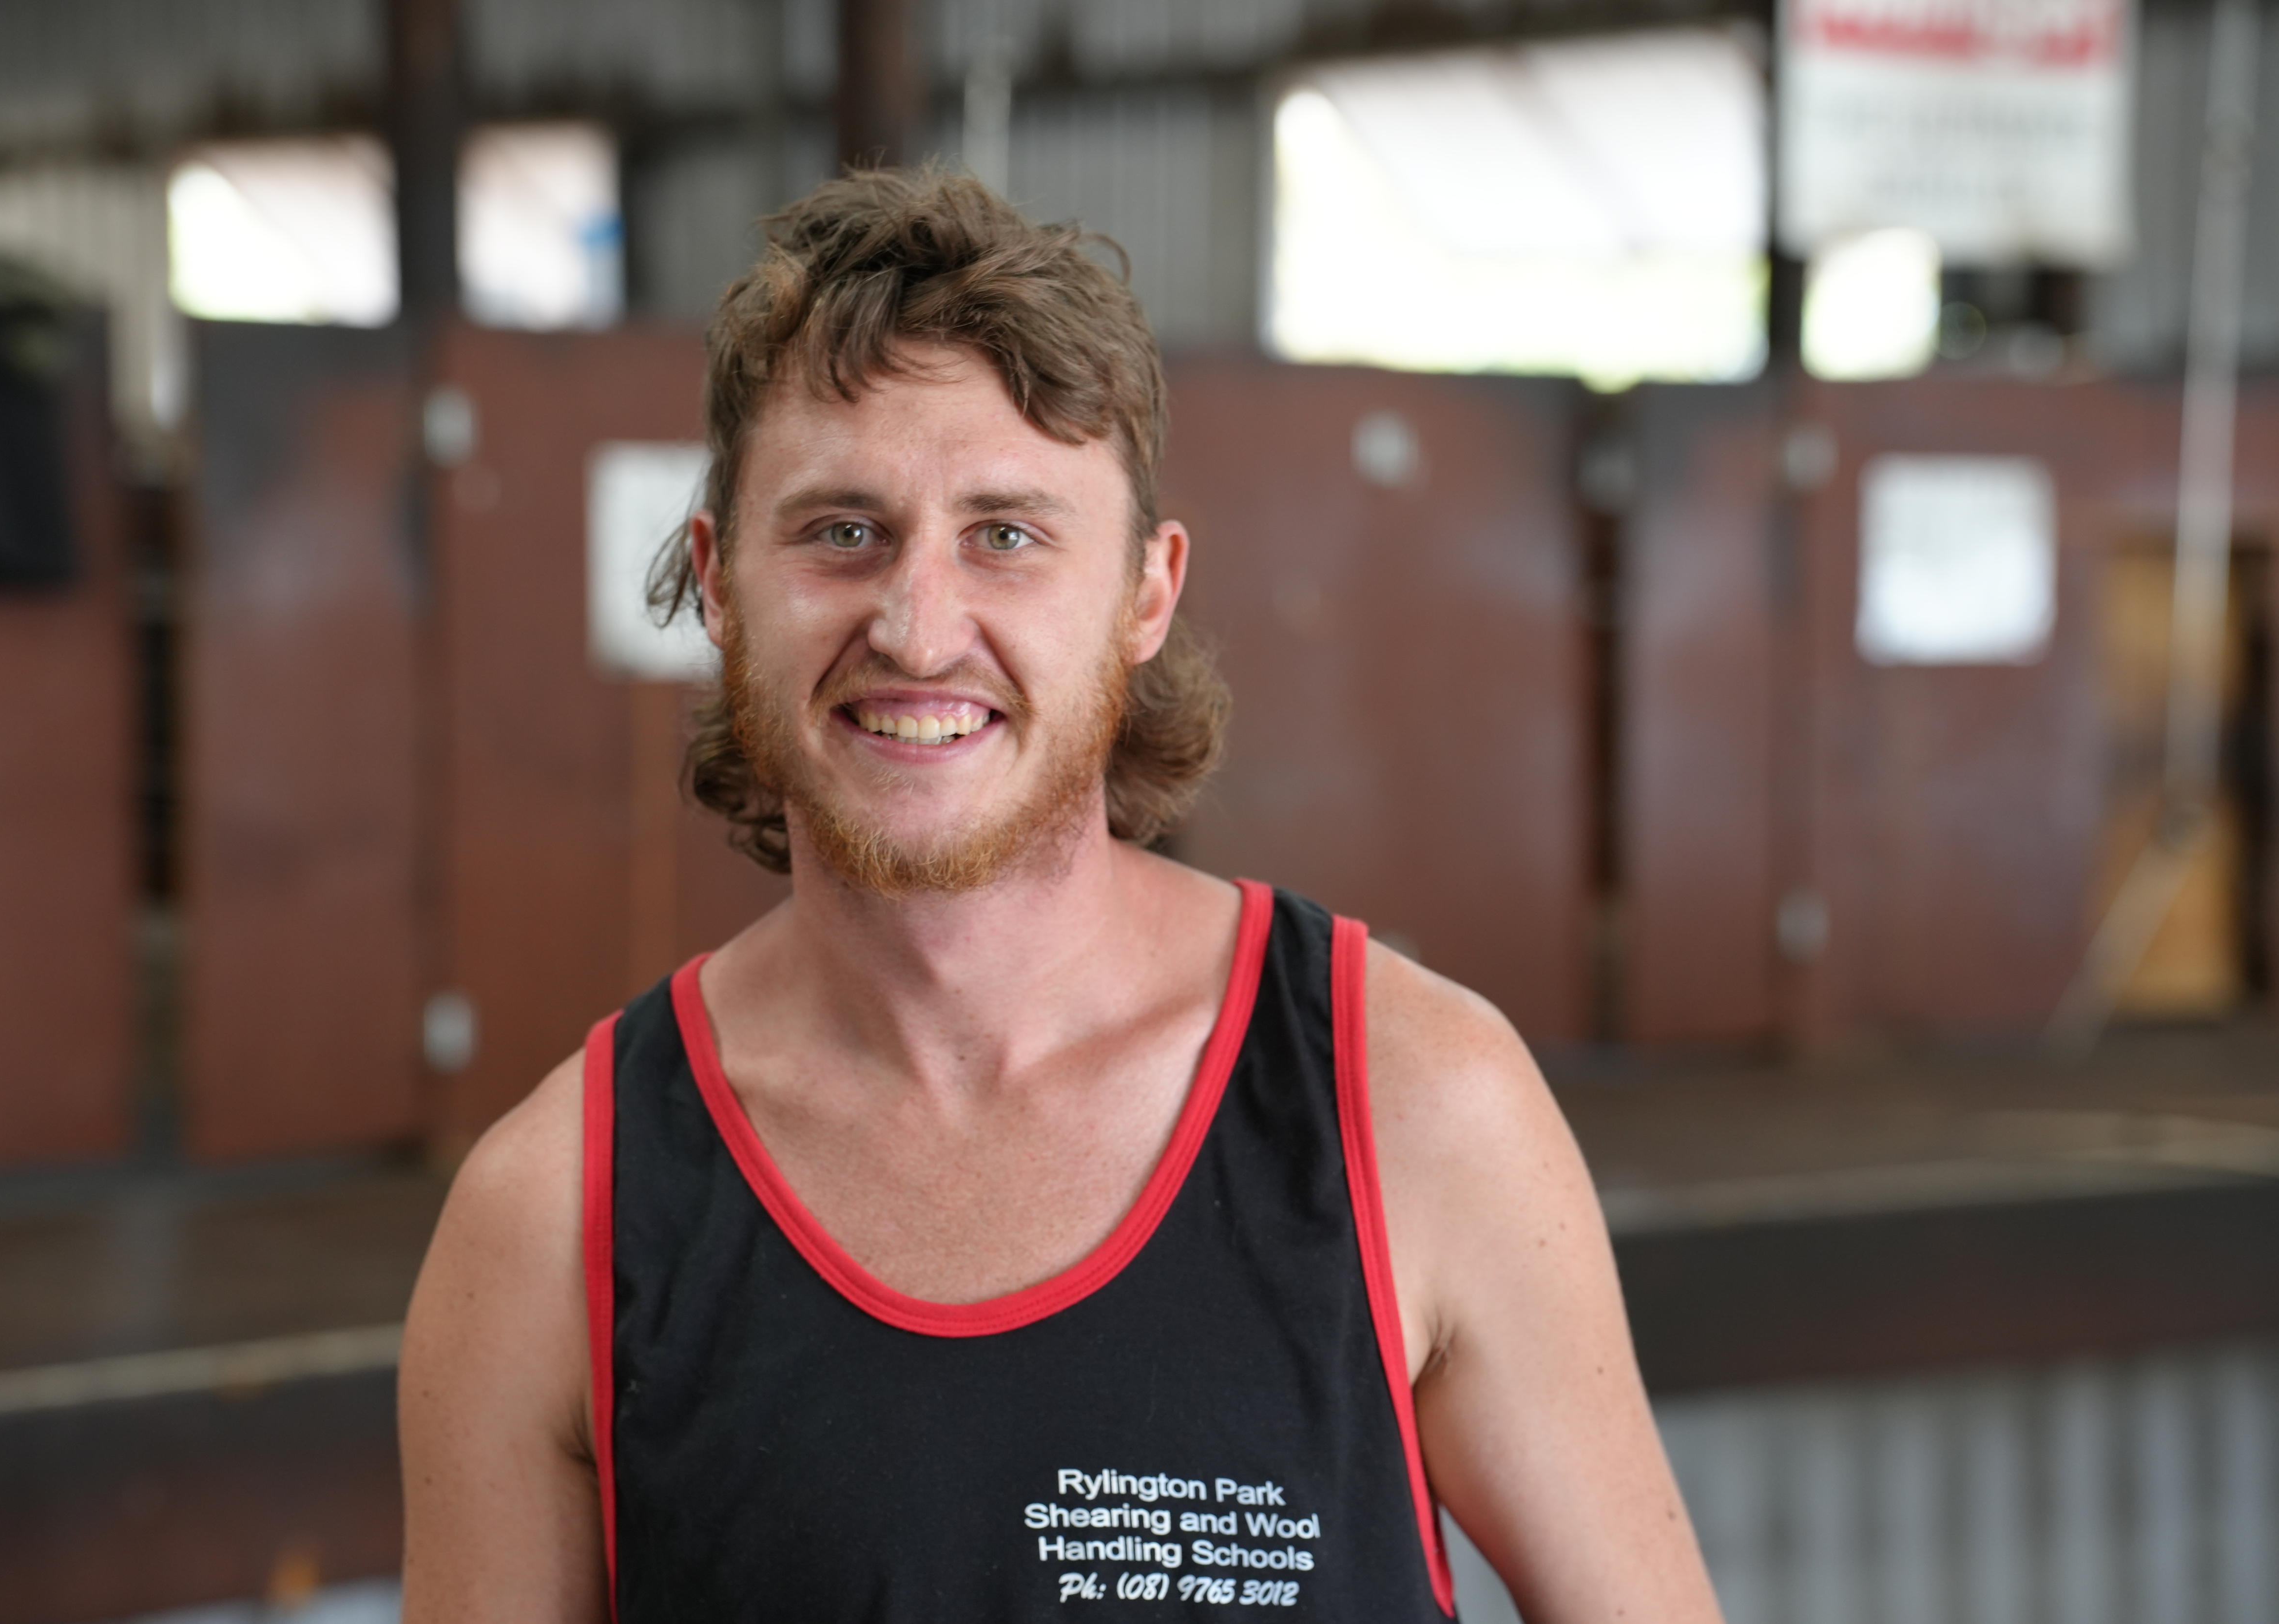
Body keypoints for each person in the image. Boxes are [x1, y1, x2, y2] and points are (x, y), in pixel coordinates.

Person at [400, 166, 1722, 1624]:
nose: (917, 625)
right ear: (718, 585)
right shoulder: (548, 1223)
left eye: (1008, 534)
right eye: (840, 529)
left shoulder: (1410, 1105)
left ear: (1146, 595)